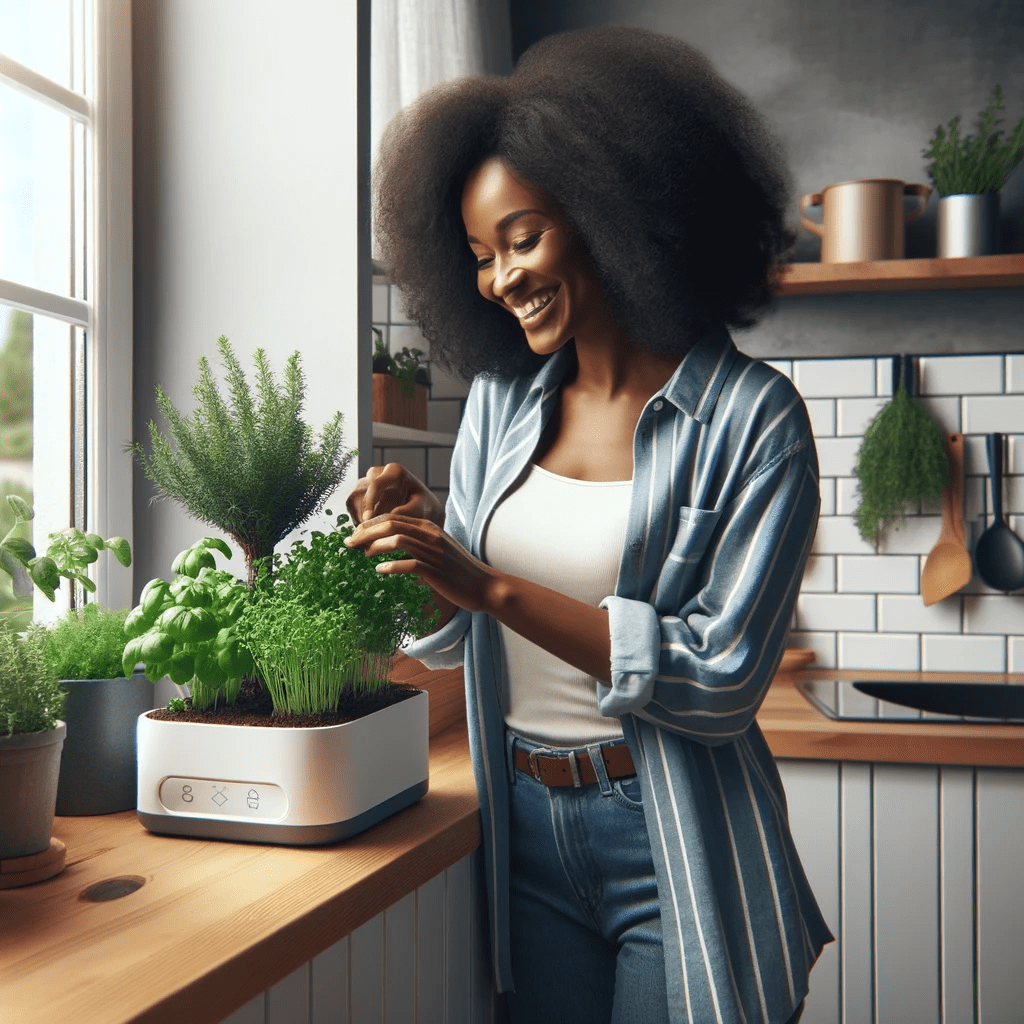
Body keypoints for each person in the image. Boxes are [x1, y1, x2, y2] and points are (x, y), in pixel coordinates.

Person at [345, 25, 833, 1024]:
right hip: (519, 824)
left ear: (614, 212)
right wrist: (418, 555)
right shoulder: (497, 405)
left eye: (522, 239)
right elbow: (450, 637)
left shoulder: (753, 419)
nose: (500, 279)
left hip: (669, 834)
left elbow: (720, 682)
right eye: (481, 256)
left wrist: (485, 580)